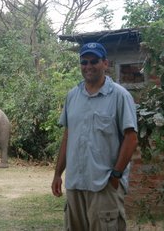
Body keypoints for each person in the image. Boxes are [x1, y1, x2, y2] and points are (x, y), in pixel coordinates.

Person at [51, 42, 138, 231]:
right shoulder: (73, 96)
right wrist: (58, 173)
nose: (88, 66)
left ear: (105, 63)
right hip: (75, 184)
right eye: (84, 62)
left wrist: (115, 176)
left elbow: (131, 138)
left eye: (94, 61)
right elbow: (68, 135)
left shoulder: (119, 96)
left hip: (104, 185)